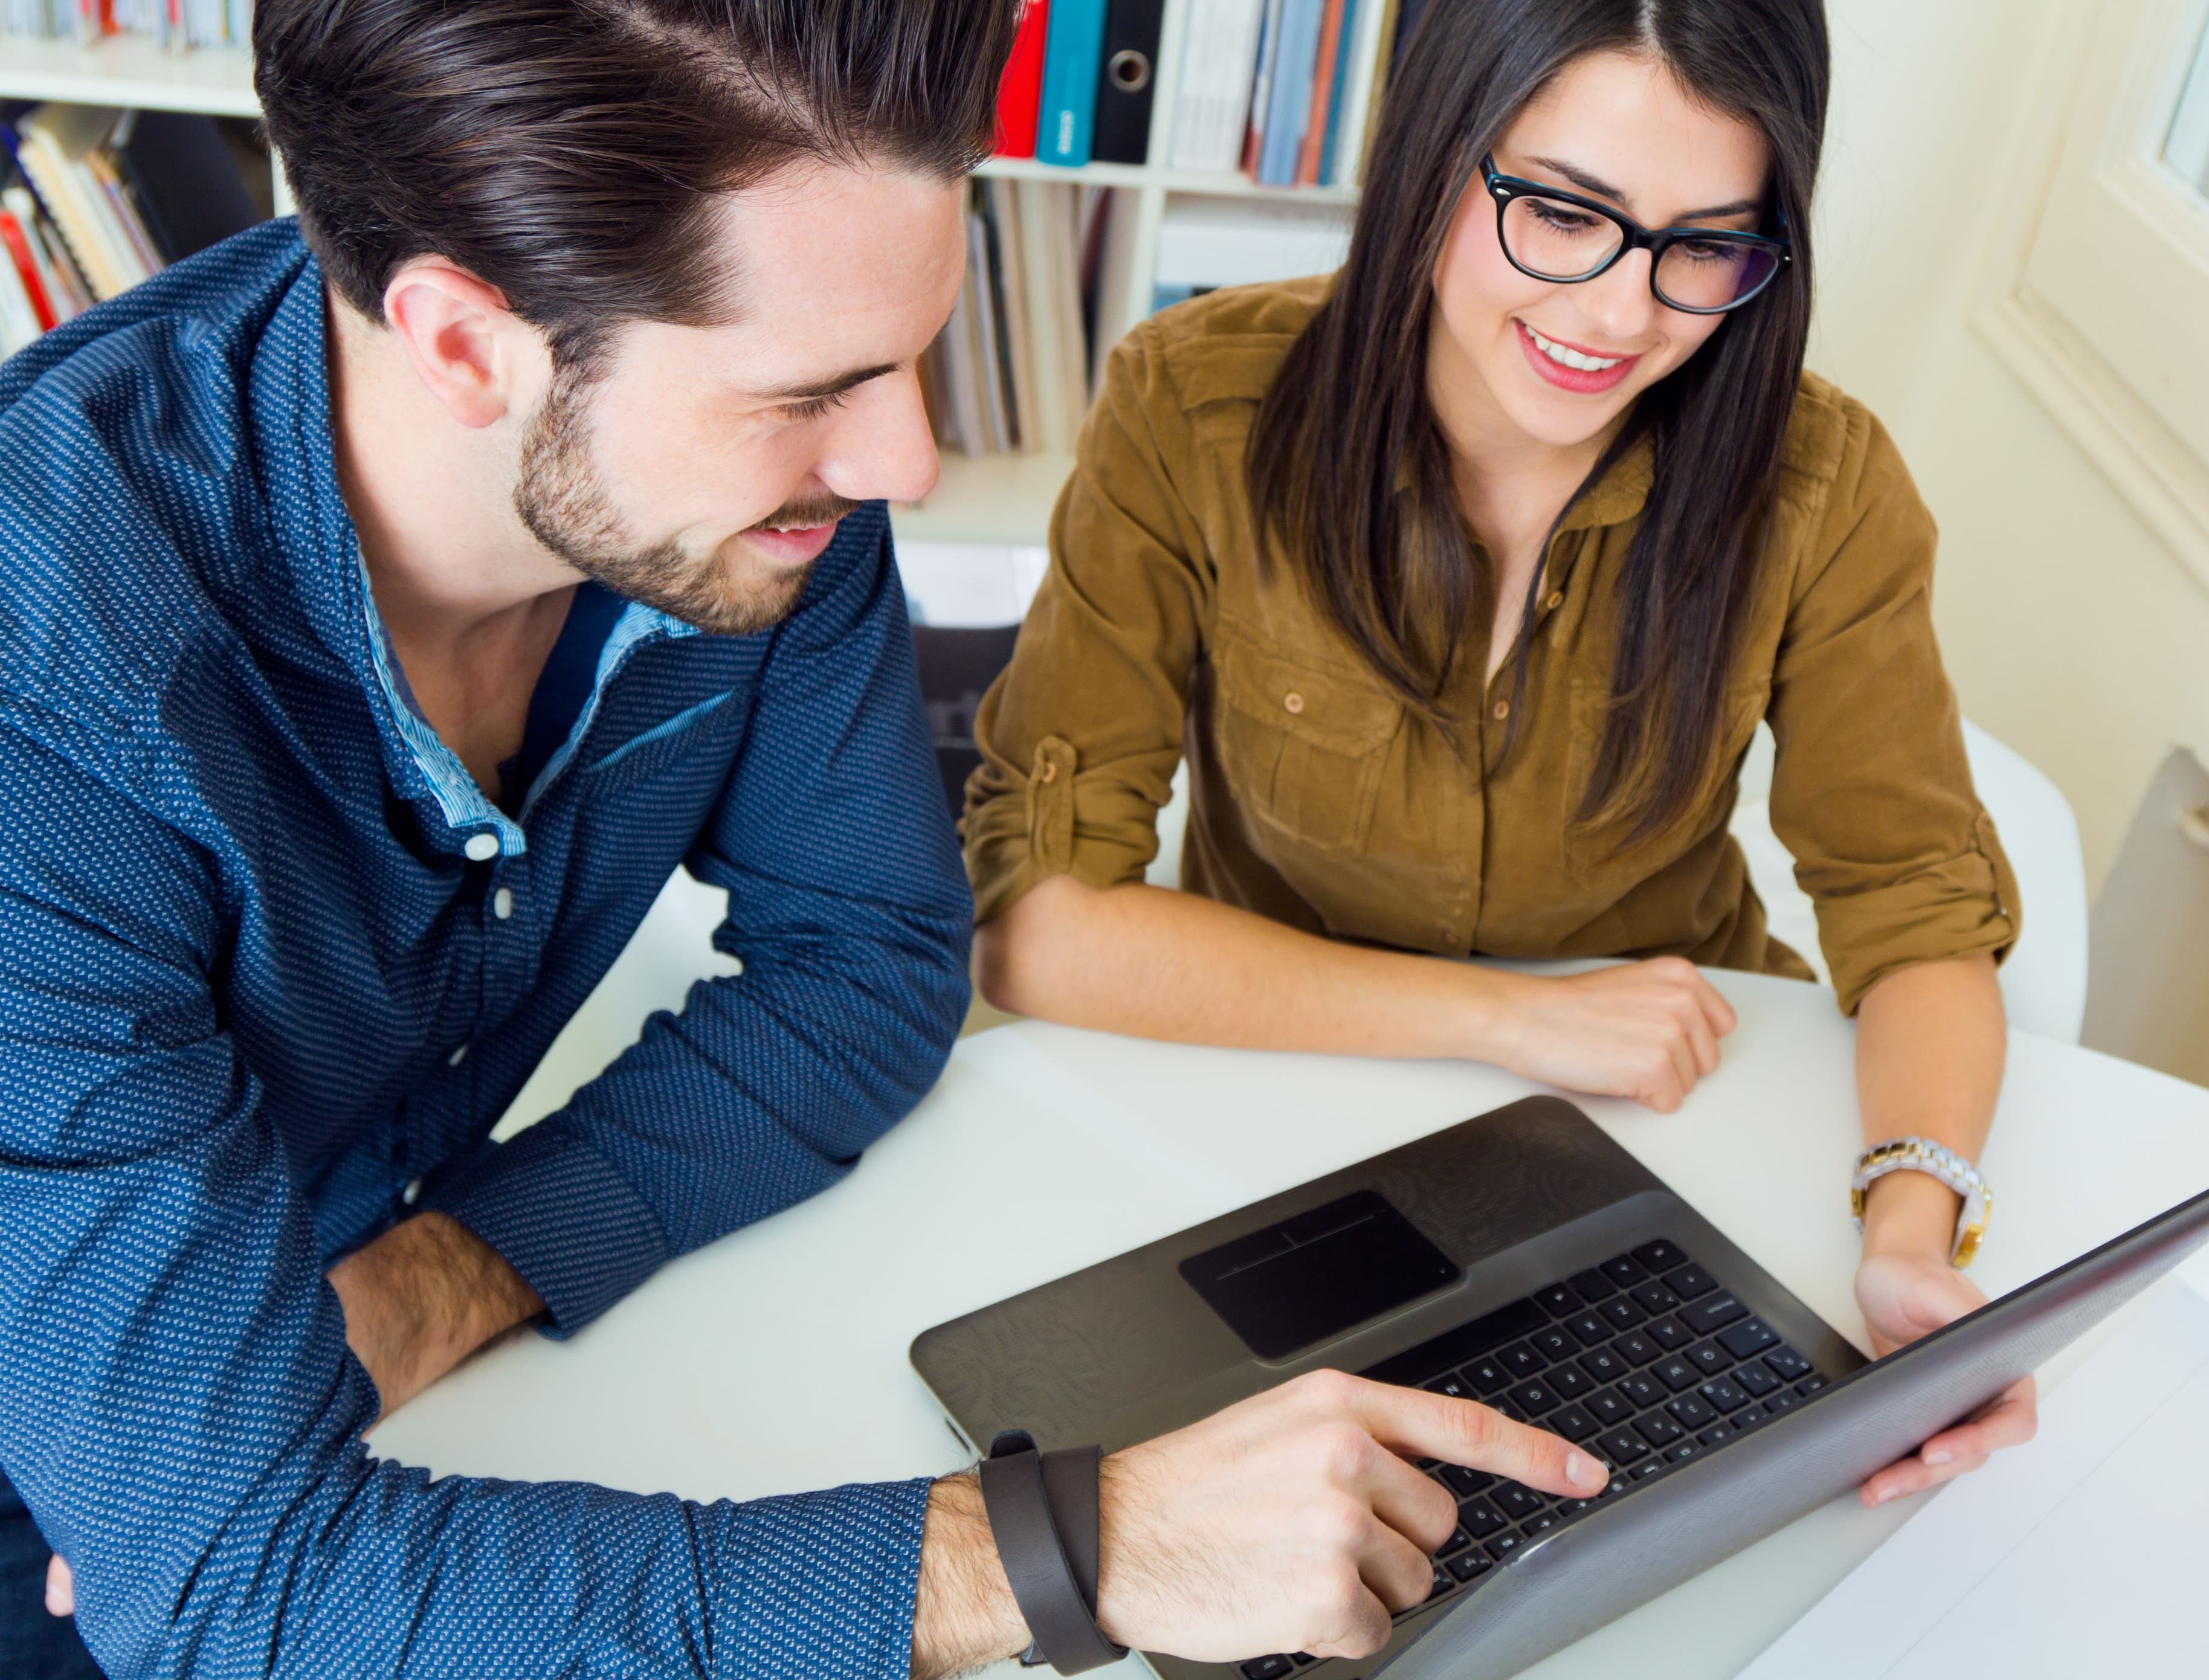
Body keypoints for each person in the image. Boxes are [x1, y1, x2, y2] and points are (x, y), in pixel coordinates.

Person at [0, 4, 1619, 1678]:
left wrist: (459, 1266)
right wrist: (1075, 1546)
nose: (899, 460)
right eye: (811, 391)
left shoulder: (747, 491)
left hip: (376, 1385)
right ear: (468, 346)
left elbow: (873, 960)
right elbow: (237, 1591)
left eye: (909, 356)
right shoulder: (44, 693)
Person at [967, 0, 2037, 1514]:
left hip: (1675, 1113)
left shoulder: (1824, 485)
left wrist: (1909, 1234)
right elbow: (1037, 928)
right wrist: (1517, 1022)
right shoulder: (1190, 406)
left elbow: (1915, 909)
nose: (1620, 313)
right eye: (1562, 213)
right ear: (1431, 152)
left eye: (1704, 246)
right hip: (1276, 1110)